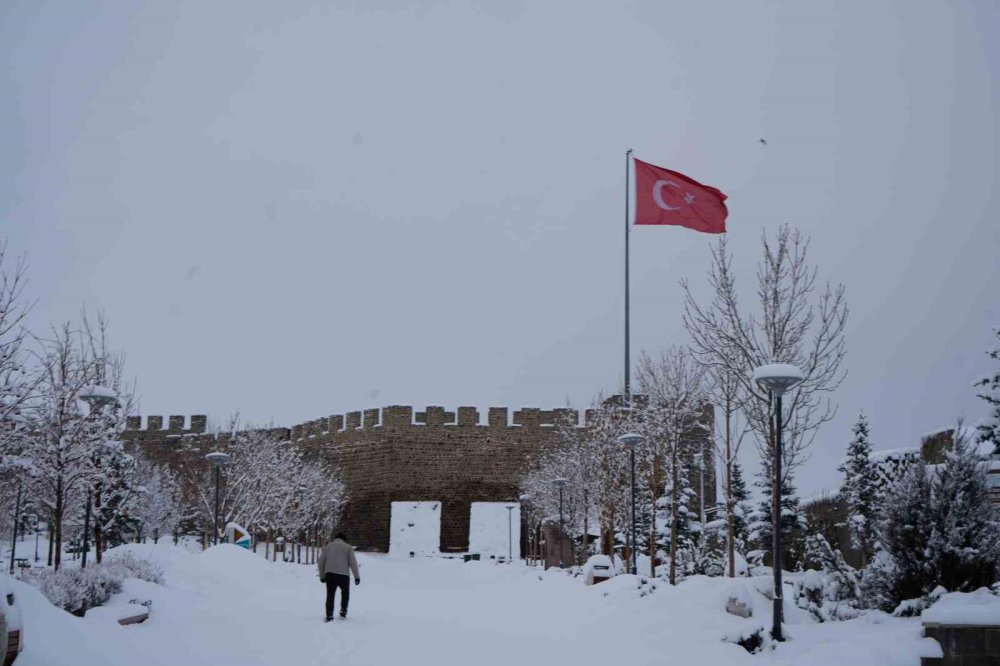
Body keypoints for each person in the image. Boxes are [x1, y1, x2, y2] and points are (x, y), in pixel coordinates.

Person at [318, 532, 360, 622]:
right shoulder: (348, 547)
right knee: (345, 594)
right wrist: (356, 577)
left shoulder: (328, 547)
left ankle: (329, 615)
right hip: (344, 575)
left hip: (330, 574)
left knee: (330, 595)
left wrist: (322, 576)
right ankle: (343, 612)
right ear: (344, 539)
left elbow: (321, 562)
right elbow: (353, 563)